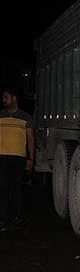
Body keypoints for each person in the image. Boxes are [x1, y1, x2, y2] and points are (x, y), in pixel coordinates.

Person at [0, 86, 35, 232]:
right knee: (2, 189)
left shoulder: (25, 117)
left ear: (14, 98)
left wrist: (30, 158)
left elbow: (30, 138)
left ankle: (15, 217)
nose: (3, 100)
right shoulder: (0, 115)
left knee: (15, 189)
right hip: (1, 158)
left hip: (18, 158)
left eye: (6, 97)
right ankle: (2, 219)